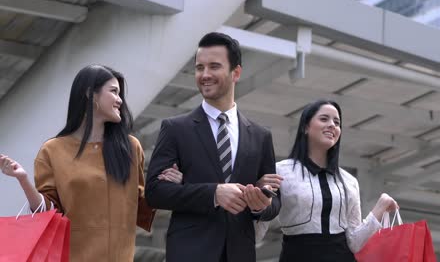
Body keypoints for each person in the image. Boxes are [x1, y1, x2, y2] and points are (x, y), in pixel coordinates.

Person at [0, 64, 181, 261]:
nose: (120, 100)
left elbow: (140, 205)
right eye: (114, 92)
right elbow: (48, 212)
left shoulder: (130, 147)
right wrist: (23, 180)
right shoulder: (52, 150)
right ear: (90, 94)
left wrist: (167, 185)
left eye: (120, 94)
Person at [145, 32, 281, 262]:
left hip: (240, 253)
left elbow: (275, 202)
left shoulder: (261, 136)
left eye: (214, 66)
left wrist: (262, 205)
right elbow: (154, 192)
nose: (205, 75)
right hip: (189, 253)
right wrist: (214, 193)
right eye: (200, 68)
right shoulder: (175, 128)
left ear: (235, 72)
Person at [257, 99, 398, 262]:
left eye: (337, 122)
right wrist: (257, 199)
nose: (332, 125)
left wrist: (380, 207)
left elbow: (354, 243)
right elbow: (257, 233)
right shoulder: (281, 172)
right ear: (305, 127)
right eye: (324, 119)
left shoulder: (349, 181)